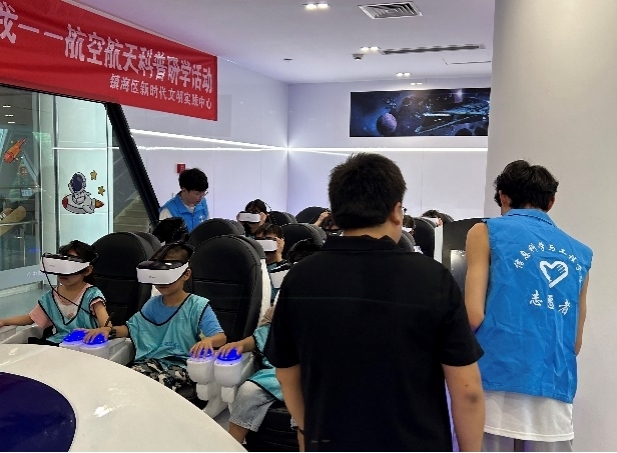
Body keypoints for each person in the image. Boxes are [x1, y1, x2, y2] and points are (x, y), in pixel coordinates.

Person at [265, 153, 485, 452]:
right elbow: (467, 390)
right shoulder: (433, 278)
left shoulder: (300, 278)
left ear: (336, 213)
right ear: (396, 211)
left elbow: (286, 373)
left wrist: (310, 430)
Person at [465, 160, 592, 452]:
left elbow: (472, 315)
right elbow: (575, 342)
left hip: (494, 380)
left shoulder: (485, 232)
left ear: (503, 197)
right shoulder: (581, 254)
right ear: (551, 201)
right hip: (554, 386)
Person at [82, 242, 227, 391]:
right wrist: (108, 330)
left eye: (166, 276)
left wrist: (209, 340)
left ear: (186, 274)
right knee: (128, 381)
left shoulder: (198, 306)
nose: (161, 282)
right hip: (152, 361)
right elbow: (131, 328)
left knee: (158, 386)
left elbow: (221, 337)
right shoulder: (152, 304)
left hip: (183, 364)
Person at [220, 238, 322, 448]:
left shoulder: (330, 309)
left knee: (304, 411)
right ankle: (231, 446)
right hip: (275, 372)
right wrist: (239, 345)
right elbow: (263, 336)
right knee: (247, 392)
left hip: (313, 375)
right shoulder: (280, 309)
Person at [0, 240, 110, 345]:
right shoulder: (51, 297)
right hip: (57, 344)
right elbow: (30, 318)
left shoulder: (92, 295)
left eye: (69, 267)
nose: (63, 273)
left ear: (87, 270)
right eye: (60, 266)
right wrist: (4, 321)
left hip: (86, 345)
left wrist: (105, 329)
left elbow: (106, 325)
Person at [159, 168, 209, 232]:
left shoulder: (202, 203)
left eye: (204, 193)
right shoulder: (168, 211)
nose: (201, 197)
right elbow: (163, 237)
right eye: (197, 194)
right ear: (184, 190)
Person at [254, 223, 286, 303]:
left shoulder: (285, 267)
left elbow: (280, 293)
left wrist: (278, 255)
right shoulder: (252, 266)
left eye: (268, 242)